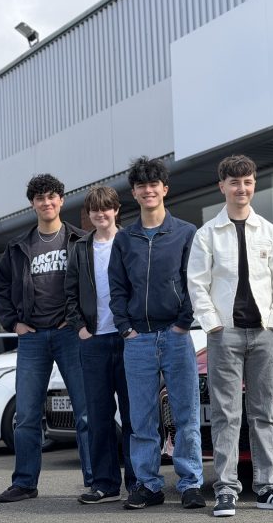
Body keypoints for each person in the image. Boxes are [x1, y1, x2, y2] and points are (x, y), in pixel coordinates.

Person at [187, 154, 273, 516]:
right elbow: (197, 284)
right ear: (222, 186)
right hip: (225, 335)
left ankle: (268, 487)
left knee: (263, 413)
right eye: (235, 182)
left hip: (264, 334)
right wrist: (213, 324)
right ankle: (226, 489)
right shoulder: (207, 234)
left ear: (254, 184)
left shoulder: (269, 232)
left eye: (248, 182)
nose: (242, 189)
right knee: (226, 414)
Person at [108, 156, 205, 510]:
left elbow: (195, 282)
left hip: (176, 336)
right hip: (138, 340)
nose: (148, 191)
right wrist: (125, 329)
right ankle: (148, 485)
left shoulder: (186, 232)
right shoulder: (125, 239)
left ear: (164, 189)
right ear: (134, 193)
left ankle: (191, 483)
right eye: (141, 186)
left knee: (185, 414)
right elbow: (117, 288)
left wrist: (183, 322)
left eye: (153, 185)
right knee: (142, 419)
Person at [0, 173, 92, 503]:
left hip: (69, 336)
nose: (46, 203)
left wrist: (77, 320)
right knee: (26, 415)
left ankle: (95, 480)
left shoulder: (80, 240)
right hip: (32, 338)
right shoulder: (18, 247)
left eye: (52, 197)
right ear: (32, 204)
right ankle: (24, 483)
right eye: (40, 198)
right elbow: (0, 290)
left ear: (61, 200)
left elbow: (92, 285)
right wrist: (14, 323)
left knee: (86, 412)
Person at [65, 185, 136, 504]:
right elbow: (69, 293)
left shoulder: (130, 241)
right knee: (98, 416)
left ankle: (138, 482)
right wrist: (80, 328)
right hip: (93, 342)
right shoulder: (80, 247)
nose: (100, 214)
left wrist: (134, 328)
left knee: (134, 415)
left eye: (105, 208)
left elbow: (141, 286)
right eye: (94, 209)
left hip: (127, 339)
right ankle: (105, 484)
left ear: (116, 210)